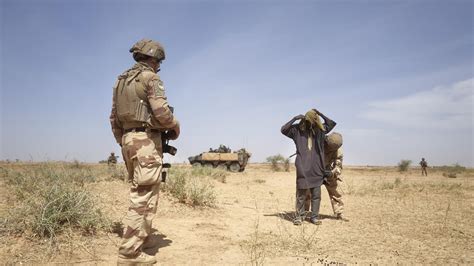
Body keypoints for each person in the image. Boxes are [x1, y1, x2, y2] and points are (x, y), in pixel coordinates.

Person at [110, 38, 180, 264]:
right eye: (159, 61)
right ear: (153, 58)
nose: (159, 65)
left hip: (129, 141)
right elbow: (161, 112)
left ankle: (143, 238)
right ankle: (129, 253)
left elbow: (113, 117)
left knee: (148, 192)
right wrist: (174, 124)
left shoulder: (120, 81)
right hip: (145, 142)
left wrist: (123, 141)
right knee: (142, 197)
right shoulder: (151, 77)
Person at [281, 109, 336, 225]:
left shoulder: (320, 131)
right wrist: (294, 119)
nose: (312, 123)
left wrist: (320, 114)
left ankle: (314, 217)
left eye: (315, 120)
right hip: (302, 167)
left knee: (316, 195)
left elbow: (331, 124)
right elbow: (283, 129)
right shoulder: (296, 131)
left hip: (317, 167)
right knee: (301, 194)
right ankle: (299, 217)